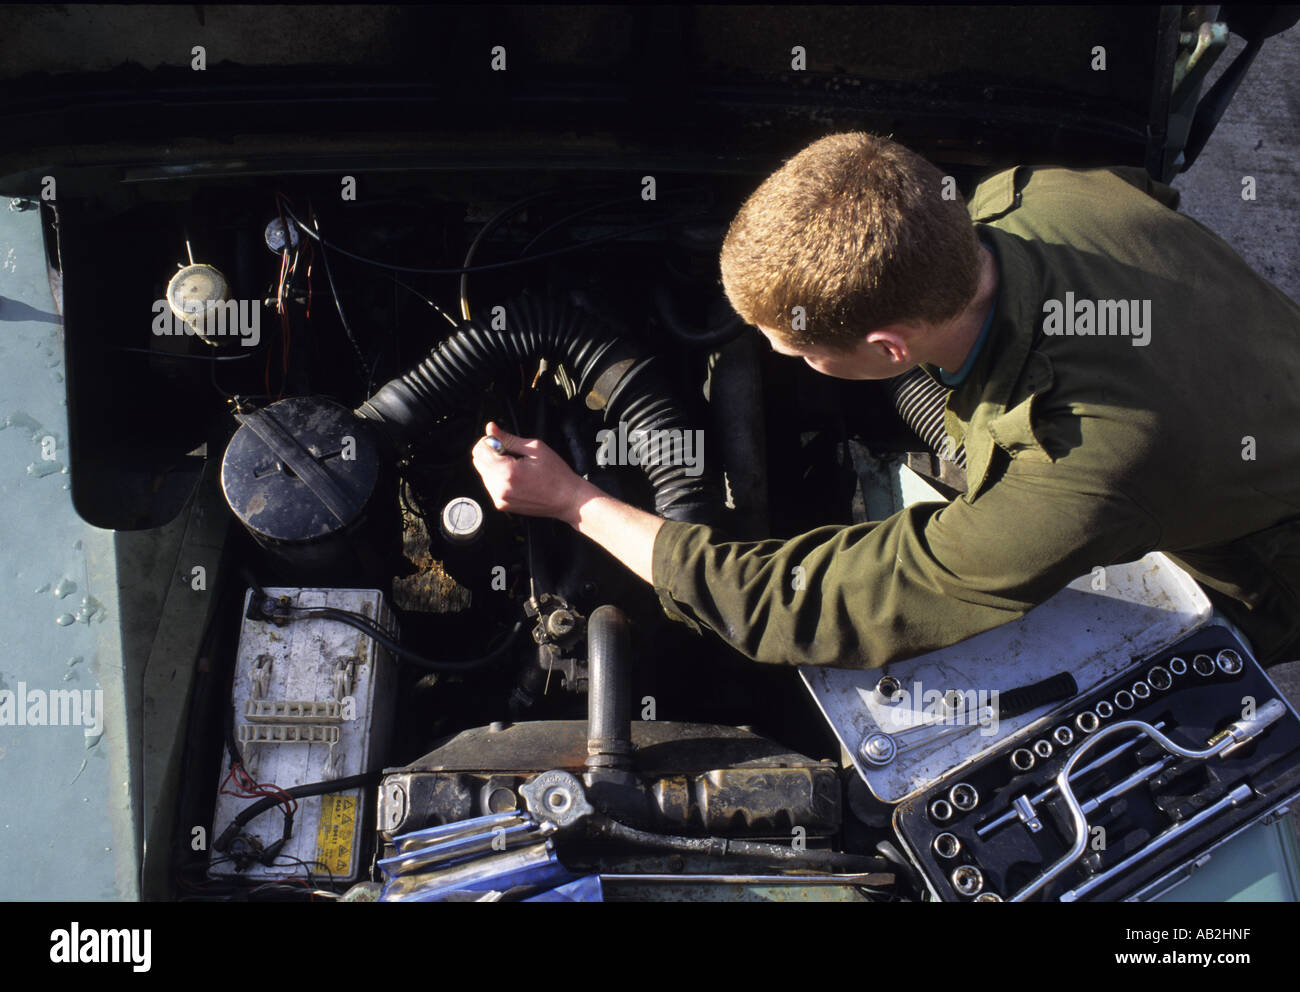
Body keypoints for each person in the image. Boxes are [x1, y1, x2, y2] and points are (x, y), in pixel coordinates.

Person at [471, 132, 1300, 670]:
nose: (771, 354)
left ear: (890, 351)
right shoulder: (1041, 192)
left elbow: (804, 604)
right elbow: (1154, 193)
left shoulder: (1074, 470)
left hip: (1268, 542)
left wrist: (575, 501)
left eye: (793, 348)